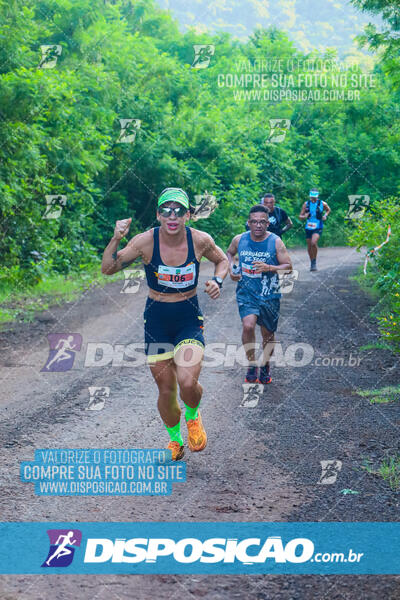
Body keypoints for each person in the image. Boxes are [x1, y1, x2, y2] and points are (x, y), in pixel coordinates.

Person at [101, 188, 228, 460]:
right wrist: (116, 238)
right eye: (167, 210)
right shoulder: (145, 242)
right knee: (167, 390)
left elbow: (222, 260)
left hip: (188, 318)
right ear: (158, 214)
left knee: (187, 381)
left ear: (188, 215)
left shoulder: (201, 240)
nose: (173, 215)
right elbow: (108, 268)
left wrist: (217, 281)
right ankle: (175, 440)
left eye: (179, 210)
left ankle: (193, 418)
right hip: (157, 320)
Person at [227, 204, 292, 385]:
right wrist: (231, 268)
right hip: (246, 292)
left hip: (269, 294)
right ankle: (251, 364)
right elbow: (229, 254)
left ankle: (265, 364)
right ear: (248, 223)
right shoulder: (239, 240)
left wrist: (269, 267)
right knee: (248, 326)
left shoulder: (276, 241)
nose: (258, 225)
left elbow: (288, 267)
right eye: (254, 222)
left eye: (262, 222)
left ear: (268, 223)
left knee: (268, 334)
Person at [299, 189, 331, 271]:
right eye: (312, 197)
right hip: (308, 227)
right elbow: (300, 216)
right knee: (309, 245)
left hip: (318, 226)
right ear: (310, 196)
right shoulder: (306, 204)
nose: (313, 199)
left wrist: (325, 215)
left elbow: (328, 210)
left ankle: (314, 261)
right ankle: (312, 262)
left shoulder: (322, 203)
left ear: (318, 196)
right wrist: (305, 216)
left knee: (313, 243)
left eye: (315, 197)